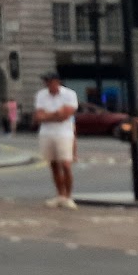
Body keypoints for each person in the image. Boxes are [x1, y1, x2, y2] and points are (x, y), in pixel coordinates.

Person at [35, 71, 79, 209]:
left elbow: (65, 116)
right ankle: (60, 195)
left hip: (64, 133)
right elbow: (38, 116)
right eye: (46, 81)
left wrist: (48, 115)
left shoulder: (69, 94)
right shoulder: (41, 95)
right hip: (46, 133)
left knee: (65, 165)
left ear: (57, 81)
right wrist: (56, 114)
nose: (47, 84)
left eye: (50, 81)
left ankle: (68, 196)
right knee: (53, 165)